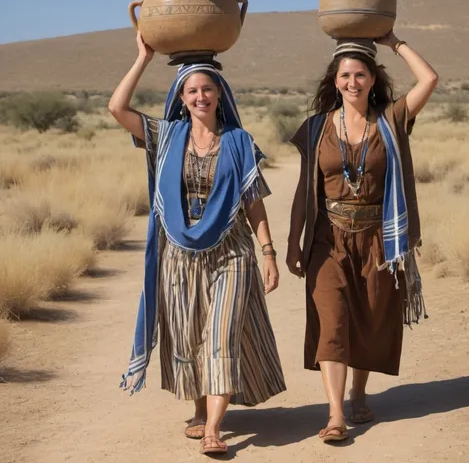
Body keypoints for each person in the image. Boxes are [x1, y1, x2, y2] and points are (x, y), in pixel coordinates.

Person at [109, 32, 286, 455]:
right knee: (188, 335)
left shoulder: (239, 141)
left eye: (208, 88)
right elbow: (117, 108)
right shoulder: (165, 136)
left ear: (220, 95)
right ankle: (200, 407)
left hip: (232, 252)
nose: (201, 96)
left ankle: (213, 428)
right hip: (180, 255)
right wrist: (142, 58)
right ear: (182, 97)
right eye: (192, 90)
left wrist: (268, 252)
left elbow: (253, 201)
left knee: (222, 334)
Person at [286, 33, 438, 442]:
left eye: (360, 75)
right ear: (334, 81)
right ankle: (335, 415)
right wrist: (291, 241)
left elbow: (429, 80)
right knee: (332, 322)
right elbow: (305, 189)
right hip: (327, 239)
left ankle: (358, 391)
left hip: (377, 239)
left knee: (369, 319)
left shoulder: (391, 120)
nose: (352, 82)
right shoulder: (317, 127)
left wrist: (395, 42)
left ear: (373, 79)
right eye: (345, 75)